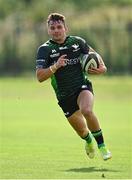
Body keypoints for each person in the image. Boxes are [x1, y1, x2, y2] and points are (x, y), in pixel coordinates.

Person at [36, 13, 112, 160]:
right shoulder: (44, 49)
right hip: (64, 96)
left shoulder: (77, 42)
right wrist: (55, 66)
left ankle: (103, 147)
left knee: (87, 111)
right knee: (82, 131)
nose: (56, 30)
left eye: (59, 27)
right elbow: (39, 77)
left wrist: (103, 68)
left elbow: (94, 55)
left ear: (66, 28)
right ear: (48, 30)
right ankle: (89, 141)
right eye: (52, 28)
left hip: (82, 86)